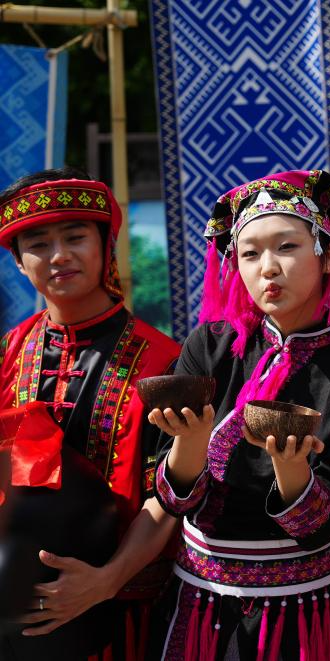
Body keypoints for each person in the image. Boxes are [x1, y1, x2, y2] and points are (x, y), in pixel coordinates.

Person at [146, 170, 330, 660]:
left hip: (302, 614)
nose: (268, 268)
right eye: (250, 254)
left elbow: (324, 523)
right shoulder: (210, 348)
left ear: (329, 254)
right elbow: (171, 500)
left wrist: (293, 470)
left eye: (286, 247)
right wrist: (188, 446)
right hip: (199, 606)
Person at [0, 168, 181, 659]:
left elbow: (175, 492)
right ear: (18, 262)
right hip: (19, 619)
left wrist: (105, 582)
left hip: (130, 613)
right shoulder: (7, 356)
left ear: (106, 244)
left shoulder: (166, 363)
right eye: (37, 243)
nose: (59, 255)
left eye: (76, 236)